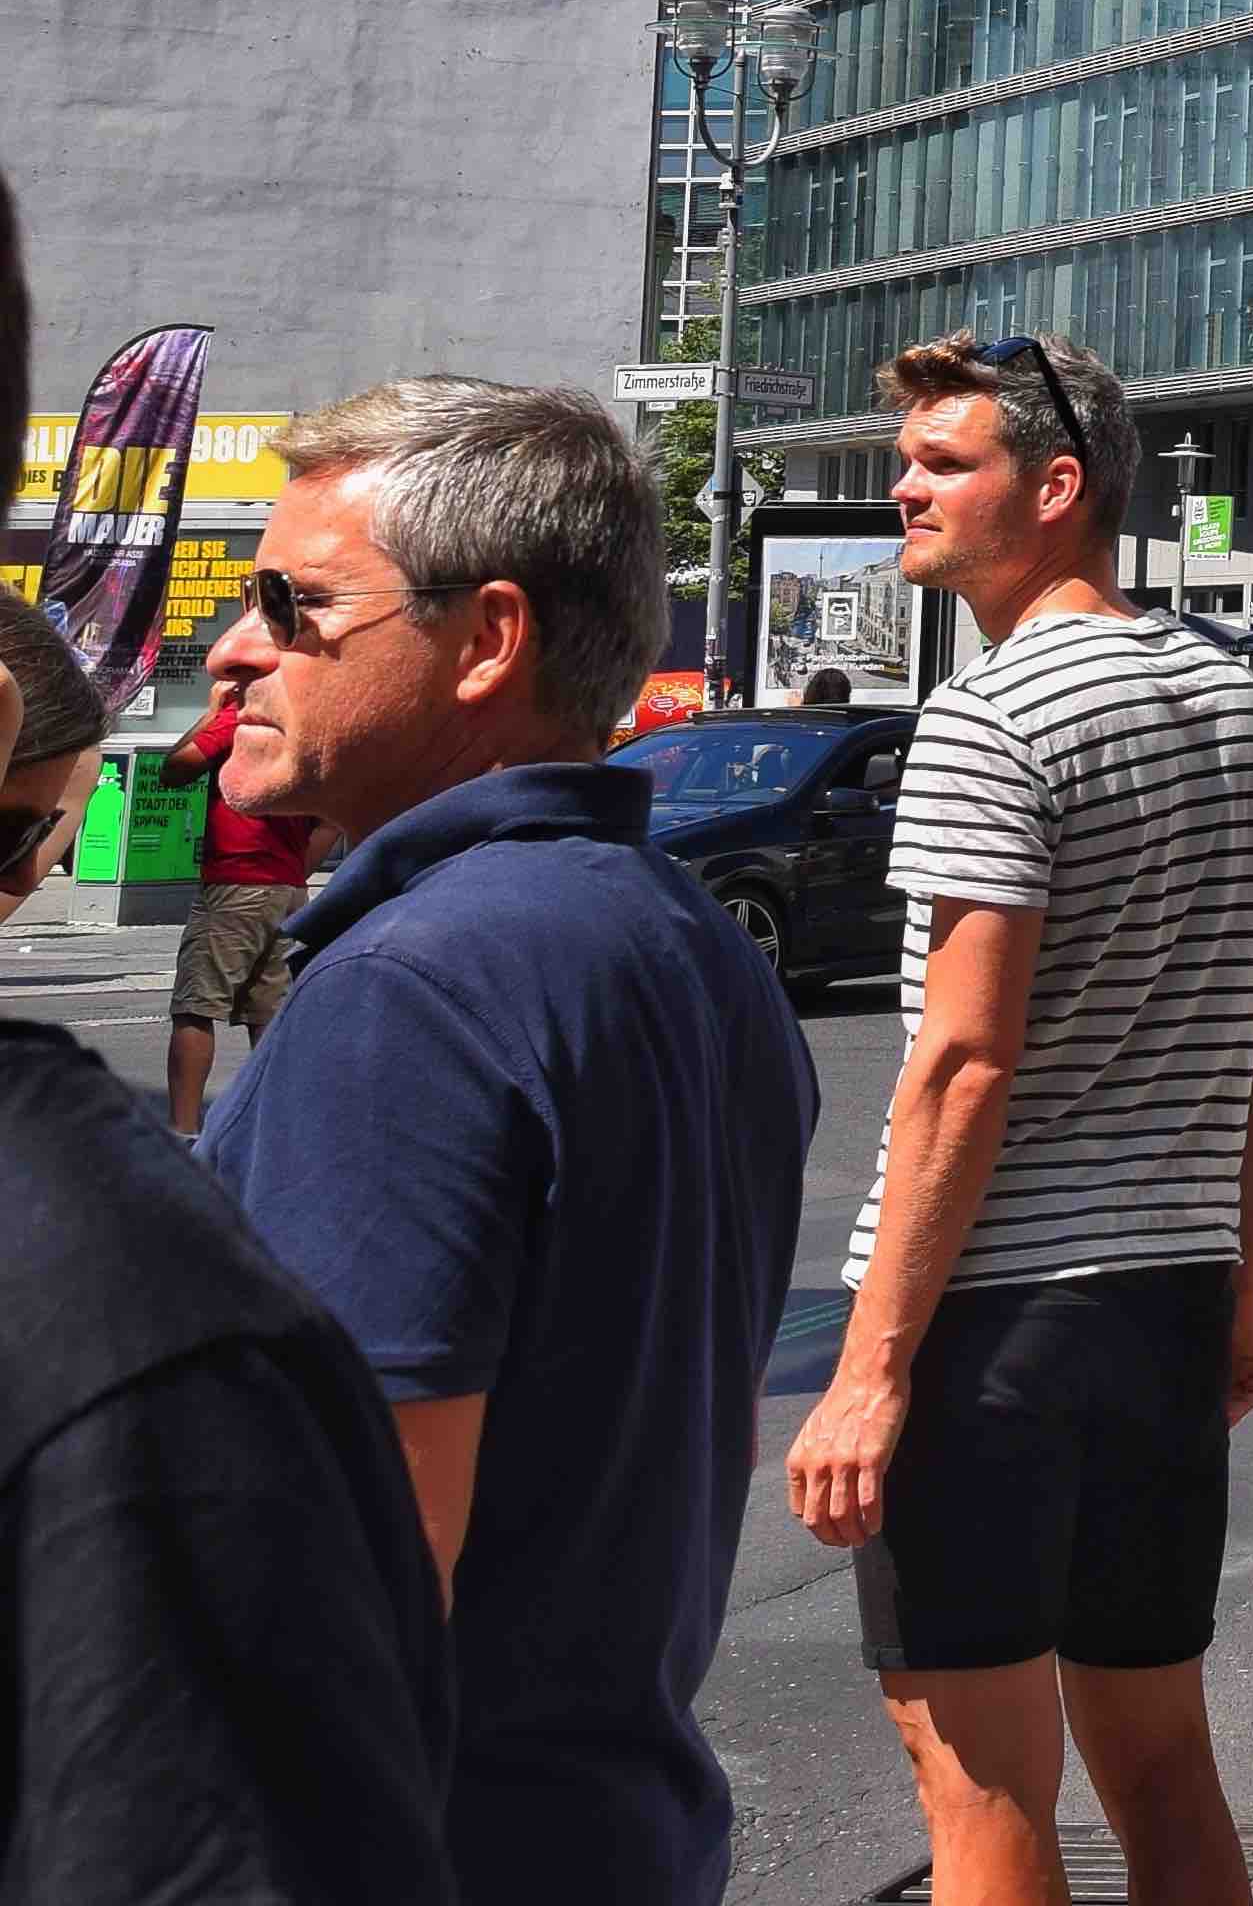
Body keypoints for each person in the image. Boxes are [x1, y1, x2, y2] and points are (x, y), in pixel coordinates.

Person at [174, 386, 812, 1905]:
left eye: (296, 603)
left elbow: (351, 1593)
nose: (234, 647)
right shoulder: (688, 945)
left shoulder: (410, 991)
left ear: (490, 637)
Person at [789, 335, 1253, 1906]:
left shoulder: (990, 717)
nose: (906, 485)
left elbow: (964, 1060)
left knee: (981, 1785)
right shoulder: (1239, 704)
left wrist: (873, 1364)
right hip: (1160, 1301)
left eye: (946, 462)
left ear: (1059, 486)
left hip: (992, 1322)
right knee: (1163, 1758)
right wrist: (1238, 1275)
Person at [0, 589, 466, 1906]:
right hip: (278, 905)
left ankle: (211, 1109)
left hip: (238, 896)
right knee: (253, 1007)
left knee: (207, 1006)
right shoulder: (141, 1277)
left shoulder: (123, 1280)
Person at [146, 654, 322, 1133]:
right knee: (266, 1012)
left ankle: (183, 1130)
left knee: (195, 1006)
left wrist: (210, 714)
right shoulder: (305, 722)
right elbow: (327, 821)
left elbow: (175, 769)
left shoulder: (243, 717)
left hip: (236, 882)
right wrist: (293, 870)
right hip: (285, 886)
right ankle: (269, 1125)